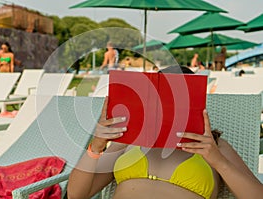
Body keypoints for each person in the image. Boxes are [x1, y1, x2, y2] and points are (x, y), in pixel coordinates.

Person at [67, 65, 263, 199]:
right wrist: (96, 146)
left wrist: (218, 161)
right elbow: (76, 194)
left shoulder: (214, 146)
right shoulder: (127, 139)